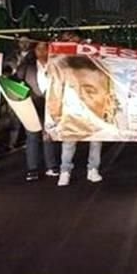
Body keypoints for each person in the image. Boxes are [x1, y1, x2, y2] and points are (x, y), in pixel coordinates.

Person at [48, 32, 110, 187]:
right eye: (68, 39)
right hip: (72, 110)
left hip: (93, 110)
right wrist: (55, 114)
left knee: (95, 141)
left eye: (75, 39)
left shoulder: (97, 65)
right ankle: (65, 172)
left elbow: (106, 88)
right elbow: (56, 88)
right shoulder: (63, 63)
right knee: (69, 142)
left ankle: (93, 170)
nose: (72, 42)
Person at [14, 40, 59, 183]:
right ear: (34, 51)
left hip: (51, 104)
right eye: (38, 49)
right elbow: (15, 81)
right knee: (32, 136)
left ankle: (51, 166)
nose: (41, 52)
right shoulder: (27, 67)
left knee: (49, 135)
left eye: (45, 49)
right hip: (32, 105)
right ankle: (32, 169)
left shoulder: (56, 65)